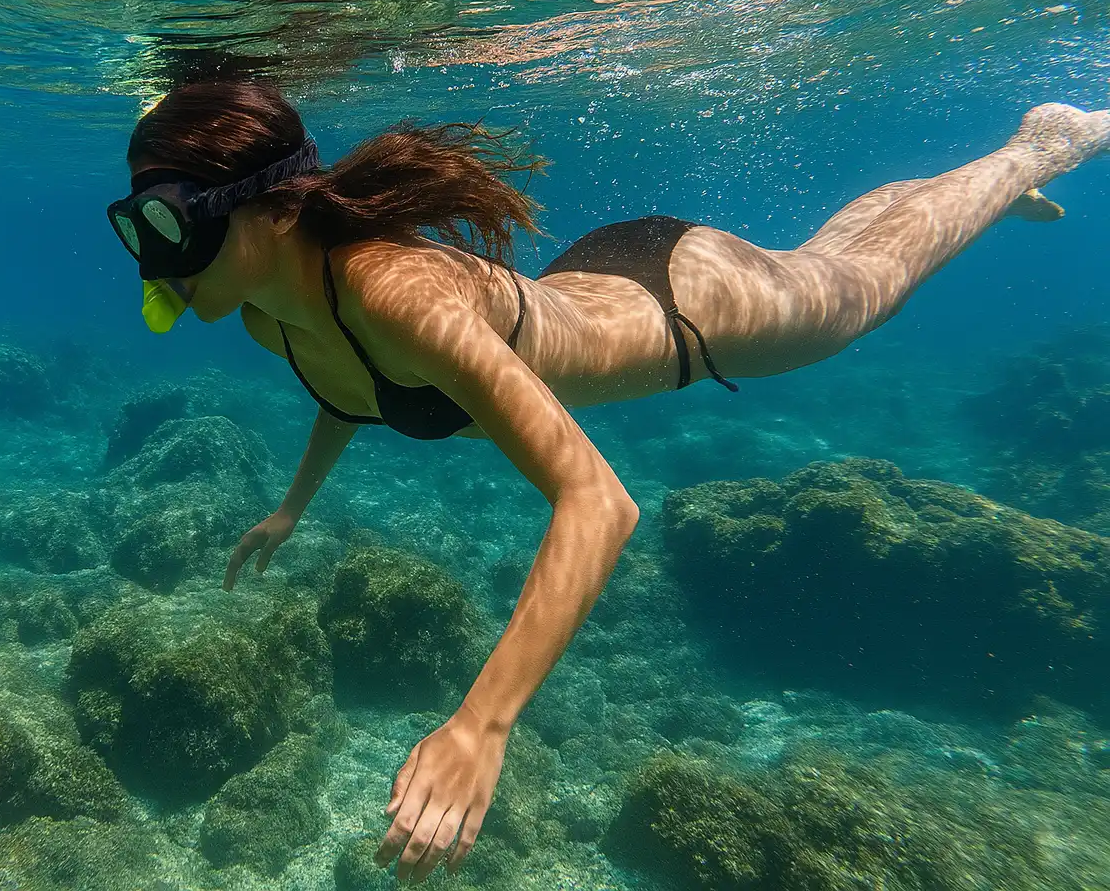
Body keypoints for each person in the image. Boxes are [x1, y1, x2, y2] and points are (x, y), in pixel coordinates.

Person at [105, 79, 1109, 883]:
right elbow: (347, 384)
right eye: (139, 225)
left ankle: (1041, 143)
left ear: (272, 206)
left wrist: (480, 724)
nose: (154, 262)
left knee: (860, 289)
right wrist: (293, 505)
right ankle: (974, 187)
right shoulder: (267, 308)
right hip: (602, 276)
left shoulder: (393, 292)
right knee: (841, 263)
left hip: (692, 306)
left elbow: (599, 502)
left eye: (169, 223)